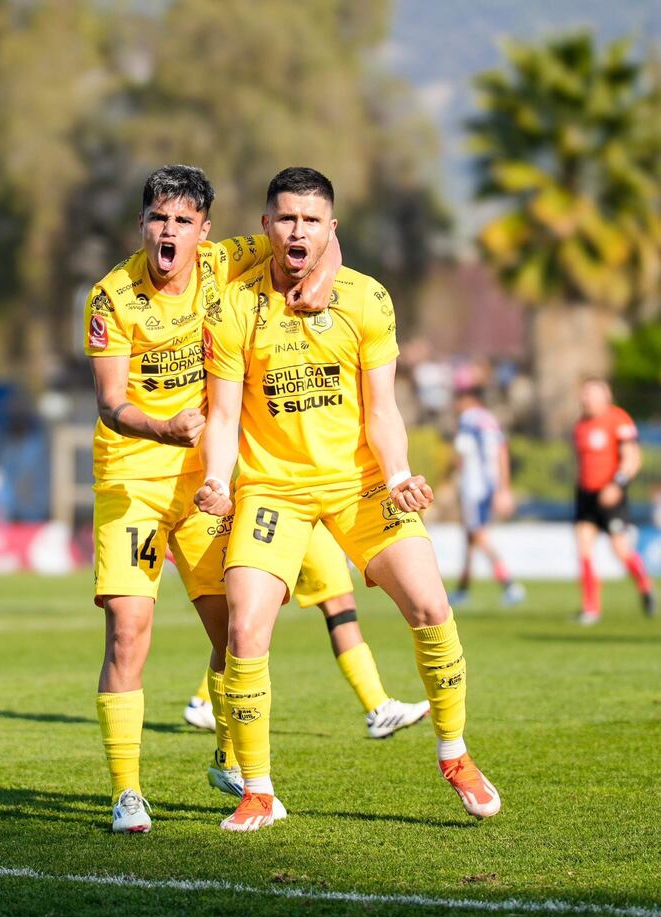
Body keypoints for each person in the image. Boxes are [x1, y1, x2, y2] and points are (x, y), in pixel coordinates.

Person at [196, 166, 501, 832]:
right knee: (246, 628)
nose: (297, 229)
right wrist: (217, 479)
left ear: (330, 229)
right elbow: (221, 416)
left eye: (311, 219)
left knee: (430, 601)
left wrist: (398, 476)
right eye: (286, 217)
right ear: (267, 227)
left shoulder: (367, 299)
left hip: (360, 483)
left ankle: (454, 752)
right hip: (273, 488)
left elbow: (383, 408)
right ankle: (258, 789)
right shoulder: (235, 306)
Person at [84, 164, 335, 833]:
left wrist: (325, 281)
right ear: (142, 226)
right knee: (128, 632)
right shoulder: (111, 296)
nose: (169, 231)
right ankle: (127, 791)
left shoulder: (229, 262)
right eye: (158, 219)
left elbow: (313, 238)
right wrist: (162, 426)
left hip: (206, 486)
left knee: (238, 628)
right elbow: (111, 402)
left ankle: (228, 751)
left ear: (205, 231)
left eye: (182, 221)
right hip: (132, 481)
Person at [183, 520, 430, 745]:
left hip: (298, 509)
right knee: (332, 607)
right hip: (300, 507)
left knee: (262, 616)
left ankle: (204, 700)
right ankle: (378, 708)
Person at [573, 378, 655, 624]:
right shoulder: (580, 425)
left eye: (591, 393)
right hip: (586, 495)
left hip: (612, 494)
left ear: (605, 396)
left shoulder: (619, 420)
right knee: (583, 550)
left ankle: (645, 586)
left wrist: (617, 485)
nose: (585, 398)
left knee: (620, 550)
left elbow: (632, 459)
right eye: (584, 393)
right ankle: (591, 608)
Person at [449, 387, 525, 607]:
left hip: (474, 487)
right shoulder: (490, 419)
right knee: (471, 539)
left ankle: (509, 584)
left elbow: (461, 452)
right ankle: (463, 589)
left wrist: (454, 474)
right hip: (490, 484)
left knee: (478, 535)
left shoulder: (468, 420)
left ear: (467, 400)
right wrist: (503, 488)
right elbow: (502, 450)